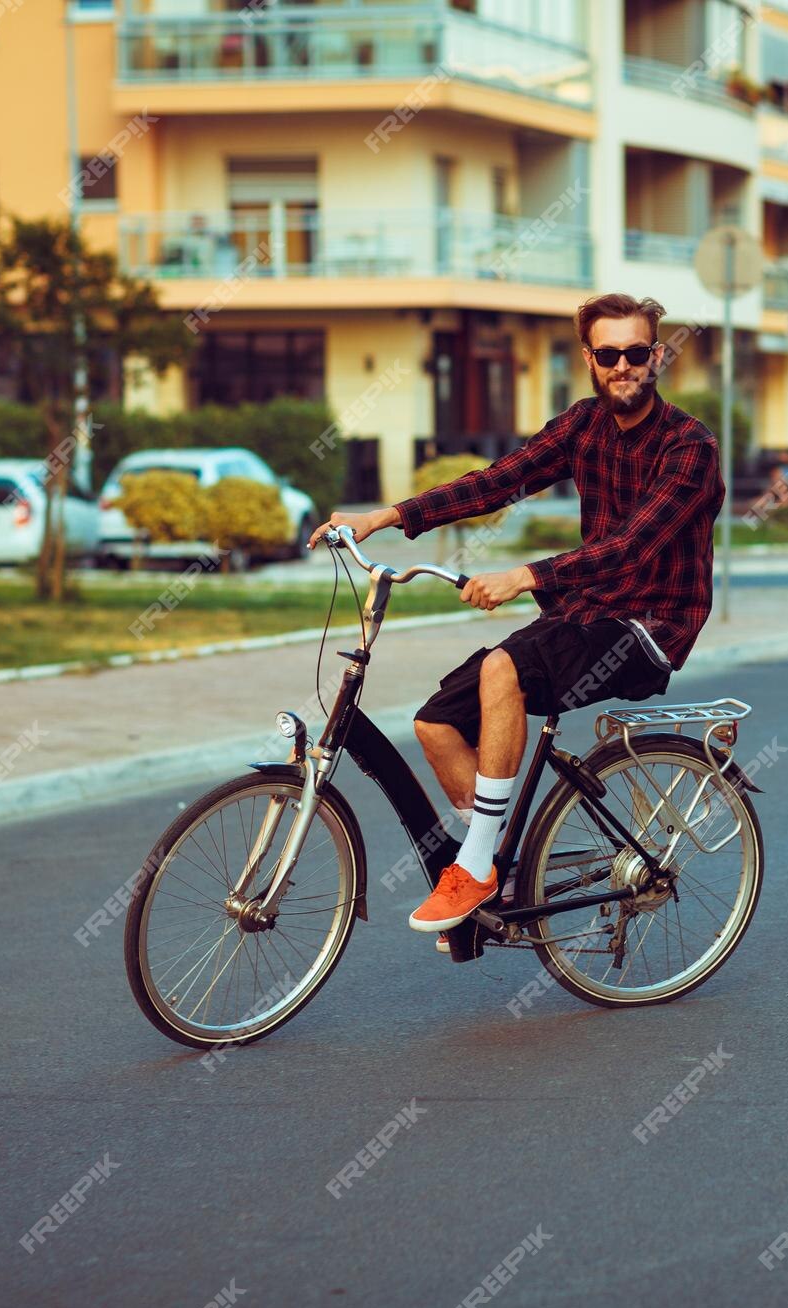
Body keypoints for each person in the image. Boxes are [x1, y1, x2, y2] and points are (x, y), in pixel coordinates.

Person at [309, 292, 725, 940]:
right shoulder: (583, 424)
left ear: (658, 356)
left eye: (637, 353)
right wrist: (380, 517)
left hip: (649, 626)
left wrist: (525, 576)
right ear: (590, 358)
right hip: (586, 610)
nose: (623, 365)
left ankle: (474, 866)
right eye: (609, 353)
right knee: (436, 723)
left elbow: (634, 545)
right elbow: (498, 480)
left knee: (503, 669)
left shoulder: (690, 446)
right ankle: (495, 861)